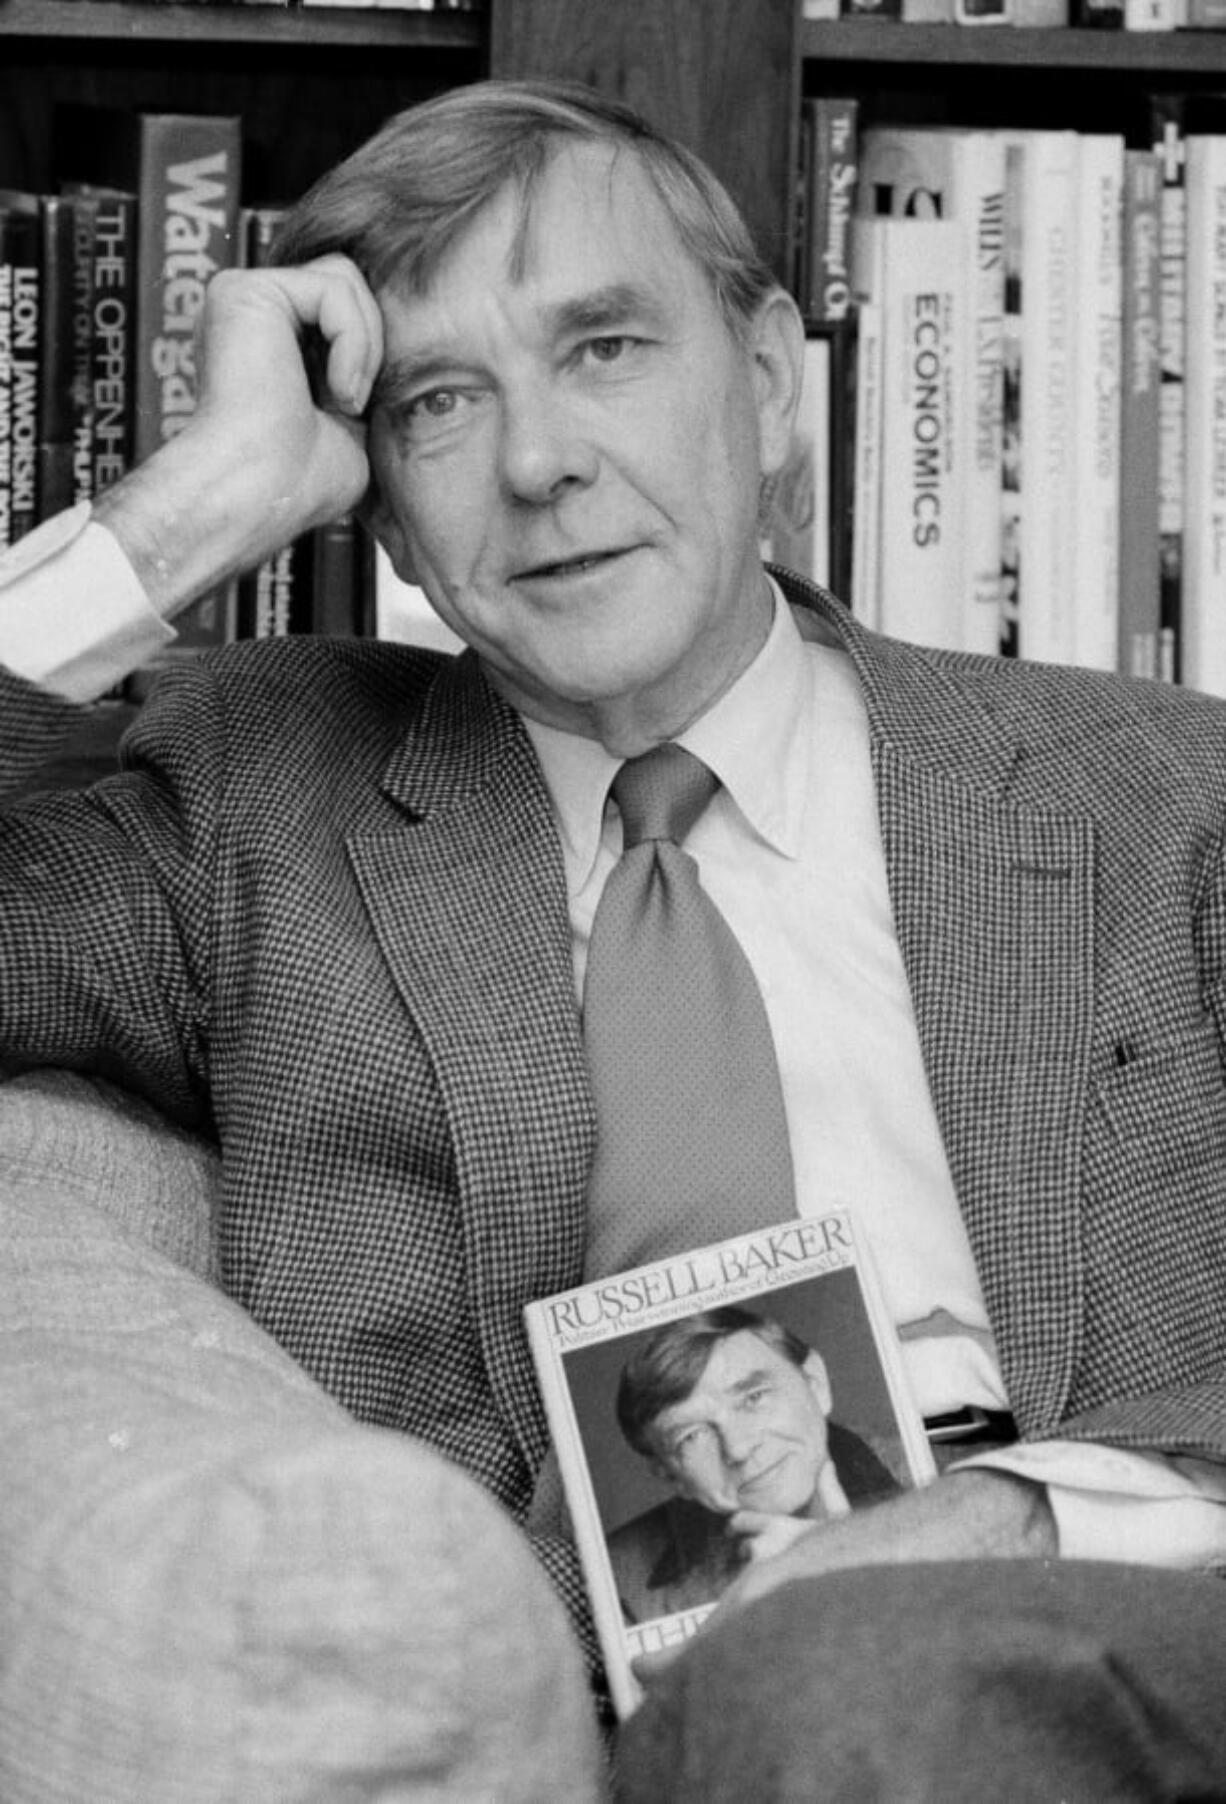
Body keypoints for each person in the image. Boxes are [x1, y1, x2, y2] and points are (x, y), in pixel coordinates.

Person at [2, 74, 1226, 1797]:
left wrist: (1032, 1513)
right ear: (376, 502)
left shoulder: (1170, 794)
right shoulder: (257, 805)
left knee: (852, 1686)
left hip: (1140, 1620)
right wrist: (188, 510)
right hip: (594, 1709)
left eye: (603, 348)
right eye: (439, 402)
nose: (538, 460)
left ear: (775, 383)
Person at [607, 1306, 901, 1621]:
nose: (738, 1448)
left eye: (754, 1398)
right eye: (692, 1436)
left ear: (815, 1385)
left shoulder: (946, 1484)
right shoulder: (619, 1579)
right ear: (671, 1477)